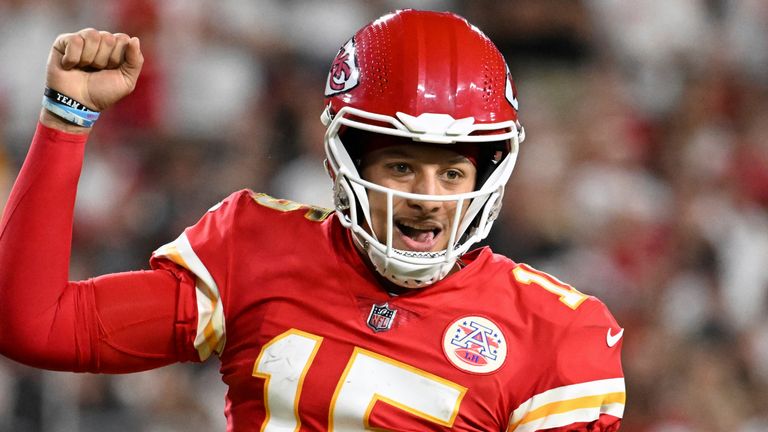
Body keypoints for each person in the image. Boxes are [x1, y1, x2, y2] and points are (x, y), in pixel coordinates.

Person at [0, 9, 625, 431]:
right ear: (344, 160)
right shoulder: (258, 247)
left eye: (453, 173)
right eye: (402, 167)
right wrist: (65, 123)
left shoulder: (556, 336)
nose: (429, 197)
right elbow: (35, 326)